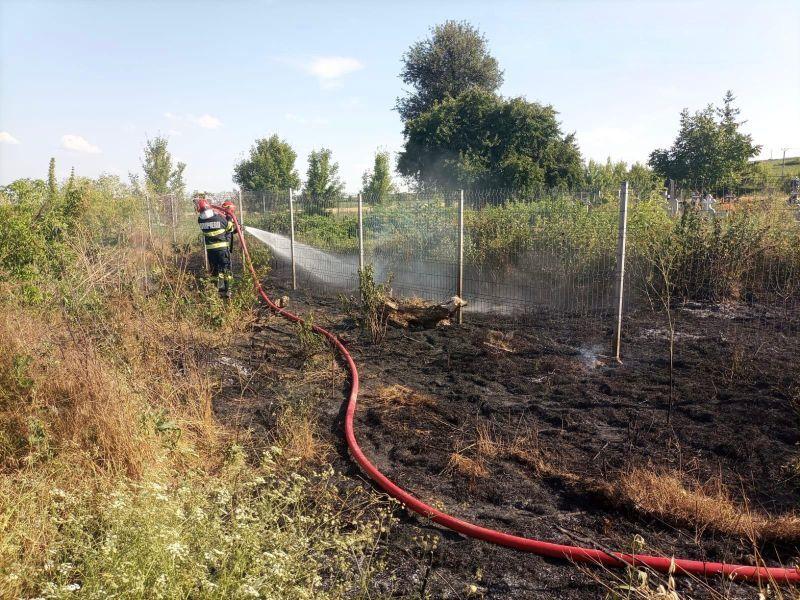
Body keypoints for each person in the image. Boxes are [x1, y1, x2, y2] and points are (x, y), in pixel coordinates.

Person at [195, 194, 235, 299]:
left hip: (210, 251)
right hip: (222, 250)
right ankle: (228, 290)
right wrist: (229, 217)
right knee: (226, 269)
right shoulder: (219, 219)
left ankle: (216, 290)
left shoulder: (200, 221)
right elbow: (229, 228)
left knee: (214, 271)